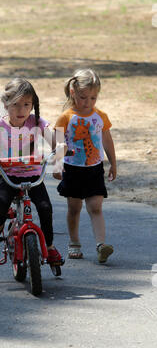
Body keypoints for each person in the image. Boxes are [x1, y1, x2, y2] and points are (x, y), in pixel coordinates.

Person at [0, 77, 64, 265]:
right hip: (9, 175)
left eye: (26, 104)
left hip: (34, 175)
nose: (21, 110)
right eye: (16, 104)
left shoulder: (36, 122)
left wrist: (60, 148)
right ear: (6, 104)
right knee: (2, 201)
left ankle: (49, 247)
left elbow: (54, 140)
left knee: (46, 209)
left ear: (32, 105)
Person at [53, 69, 117, 263]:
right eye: (83, 97)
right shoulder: (66, 117)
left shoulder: (100, 116)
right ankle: (74, 243)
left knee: (95, 207)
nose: (88, 102)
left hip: (94, 169)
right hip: (73, 170)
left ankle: (101, 245)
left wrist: (113, 163)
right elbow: (57, 143)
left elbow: (107, 139)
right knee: (74, 208)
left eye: (93, 98)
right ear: (73, 92)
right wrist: (57, 165)